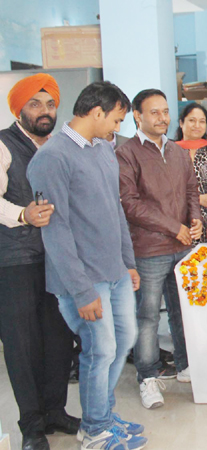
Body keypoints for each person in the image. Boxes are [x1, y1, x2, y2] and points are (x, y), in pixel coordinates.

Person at [27, 81, 147, 450]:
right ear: (96, 112)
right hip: (83, 280)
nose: (118, 128)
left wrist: (128, 262)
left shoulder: (103, 150)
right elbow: (56, 230)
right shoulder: (52, 157)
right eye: (116, 119)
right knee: (100, 351)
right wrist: (81, 290)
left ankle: (104, 417)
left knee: (122, 341)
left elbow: (115, 211)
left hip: (115, 273)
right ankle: (95, 431)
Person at [0, 74, 77, 450]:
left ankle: (55, 411)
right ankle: (31, 426)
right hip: (14, 262)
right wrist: (23, 214)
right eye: (35, 104)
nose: (44, 112)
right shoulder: (3, 144)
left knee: (60, 339)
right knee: (22, 345)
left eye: (49, 104)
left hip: (57, 259)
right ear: (19, 109)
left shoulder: (61, 145)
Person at [116, 89, 202, 409]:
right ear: (137, 116)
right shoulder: (126, 154)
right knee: (148, 317)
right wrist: (173, 227)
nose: (162, 118)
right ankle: (148, 377)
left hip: (183, 246)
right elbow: (131, 205)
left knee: (182, 312)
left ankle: (184, 365)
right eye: (154, 112)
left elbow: (192, 189)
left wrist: (194, 220)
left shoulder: (178, 152)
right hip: (149, 249)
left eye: (165, 112)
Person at [175, 103, 207, 245]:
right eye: (192, 120)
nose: (197, 125)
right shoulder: (170, 151)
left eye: (202, 121)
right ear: (181, 123)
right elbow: (167, 192)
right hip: (178, 223)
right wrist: (199, 199)